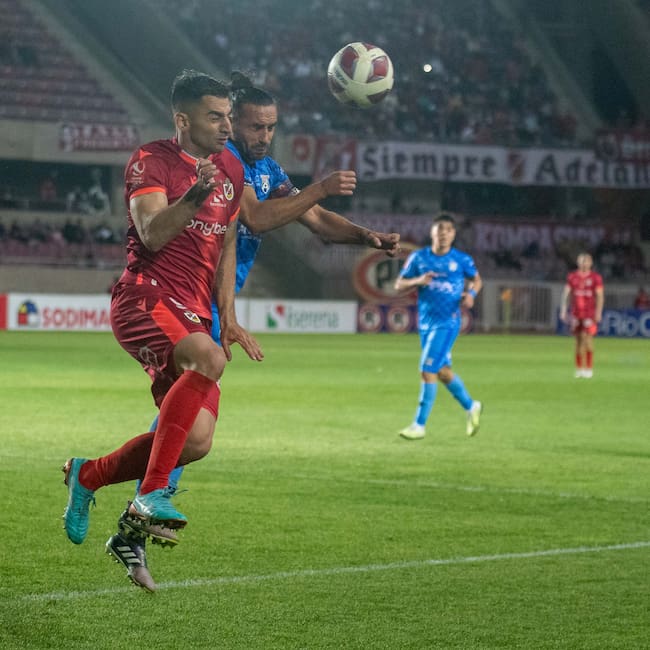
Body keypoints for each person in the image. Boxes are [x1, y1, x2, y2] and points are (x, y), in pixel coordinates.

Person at [133, 72, 401, 524]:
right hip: (185, 298)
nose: (265, 136)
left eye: (272, 127)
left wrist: (365, 236)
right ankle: (146, 498)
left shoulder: (268, 170)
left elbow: (316, 219)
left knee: (192, 427)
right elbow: (255, 218)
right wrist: (320, 187)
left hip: (213, 304)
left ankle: (119, 484)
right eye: (256, 126)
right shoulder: (224, 160)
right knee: (191, 424)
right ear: (231, 122)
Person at [61, 69, 265, 592]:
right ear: (183, 120)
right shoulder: (151, 161)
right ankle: (150, 495)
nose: (227, 126)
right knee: (208, 361)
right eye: (215, 116)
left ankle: (88, 475)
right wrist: (195, 195)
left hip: (194, 313)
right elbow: (151, 233)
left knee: (195, 442)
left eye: (228, 116)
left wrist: (229, 316)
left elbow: (226, 245)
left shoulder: (230, 168)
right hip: (144, 298)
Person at [394, 213, 483, 440]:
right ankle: (471, 406)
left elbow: (477, 280)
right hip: (426, 323)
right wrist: (418, 280)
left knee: (427, 369)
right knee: (442, 372)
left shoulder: (461, 260)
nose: (444, 233)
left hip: (447, 322)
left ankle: (419, 425)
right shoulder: (419, 258)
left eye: (448, 230)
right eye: (440, 228)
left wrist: (471, 295)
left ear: (453, 234)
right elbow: (398, 284)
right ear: (432, 232)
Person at [560, 252, 604, 378]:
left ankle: (589, 368)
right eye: (582, 261)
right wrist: (563, 310)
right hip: (576, 313)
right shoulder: (572, 277)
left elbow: (600, 296)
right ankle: (579, 369)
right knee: (578, 341)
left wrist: (598, 312)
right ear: (578, 263)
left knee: (587, 339)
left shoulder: (595, 278)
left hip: (589, 314)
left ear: (591, 263)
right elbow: (566, 294)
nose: (584, 264)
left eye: (586, 261)